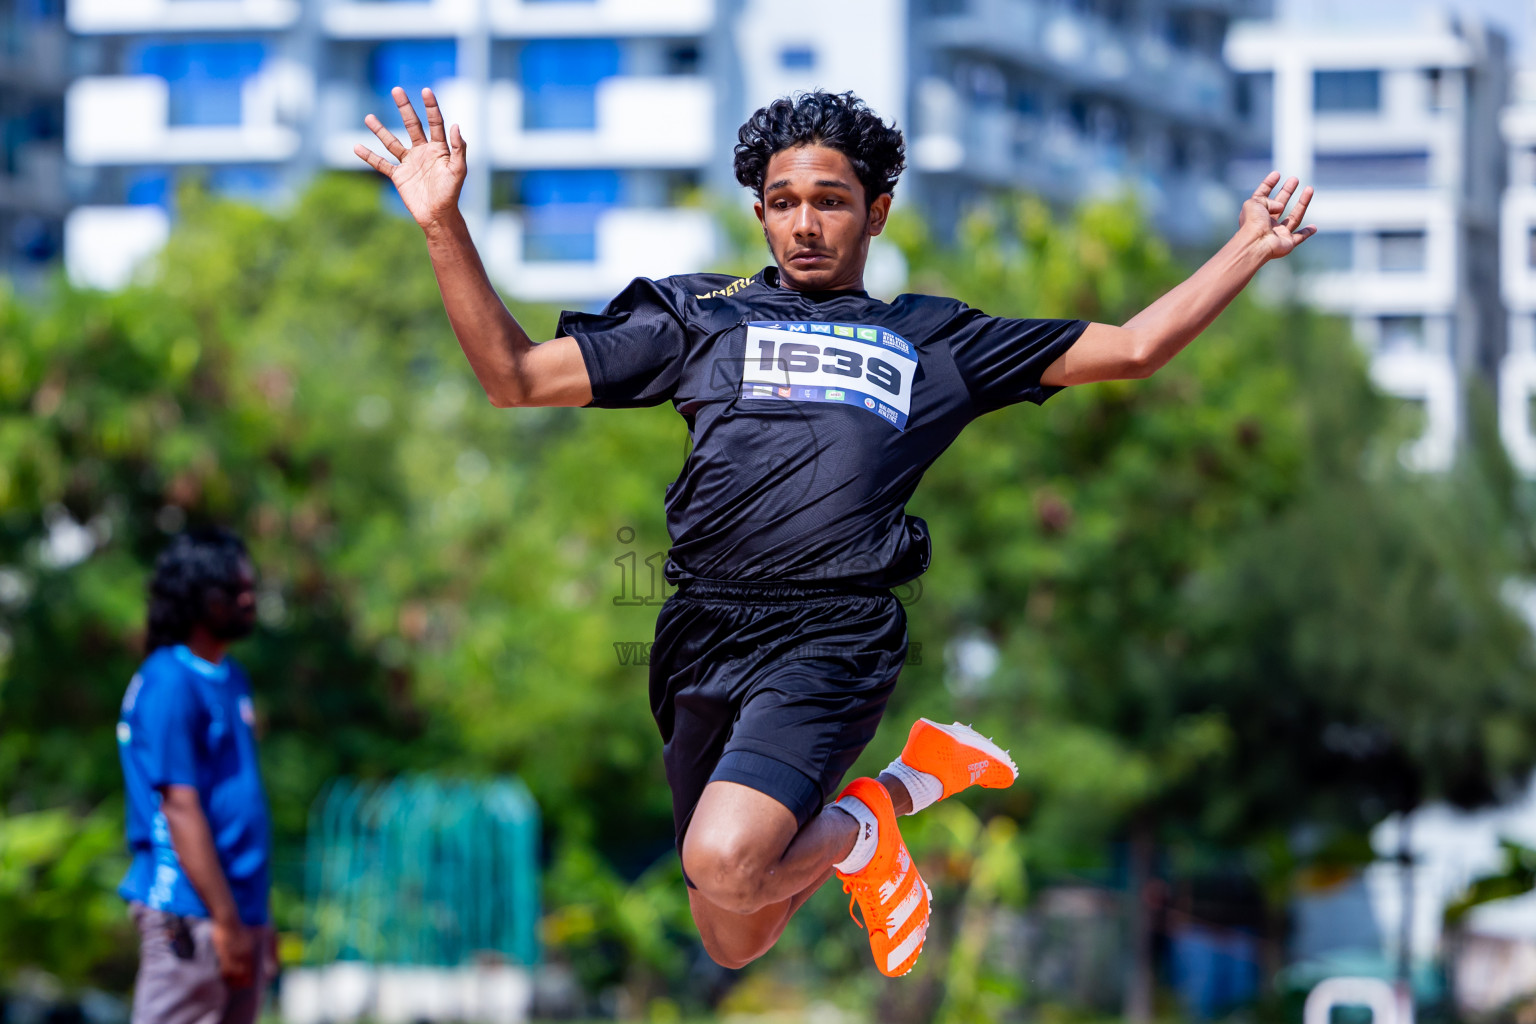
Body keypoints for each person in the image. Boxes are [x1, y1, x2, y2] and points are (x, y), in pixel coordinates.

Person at [354, 87, 1315, 977]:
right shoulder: (700, 317)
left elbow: (1134, 347)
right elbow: (512, 377)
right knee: (734, 933)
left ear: (877, 211)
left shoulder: (933, 340)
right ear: (759, 214)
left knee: (727, 858)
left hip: (831, 634)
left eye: (831, 200)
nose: (805, 223)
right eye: (782, 202)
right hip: (701, 631)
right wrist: (441, 222)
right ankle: (905, 789)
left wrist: (1246, 248)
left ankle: (861, 830)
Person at [116, 528, 275, 1021]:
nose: (248, 599)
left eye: (251, 587)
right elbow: (180, 808)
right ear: (195, 598)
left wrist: (253, 919)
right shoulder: (168, 681)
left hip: (240, 912)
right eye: (233, 591)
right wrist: (225, 923)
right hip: (188, 910)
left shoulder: (231, 678)